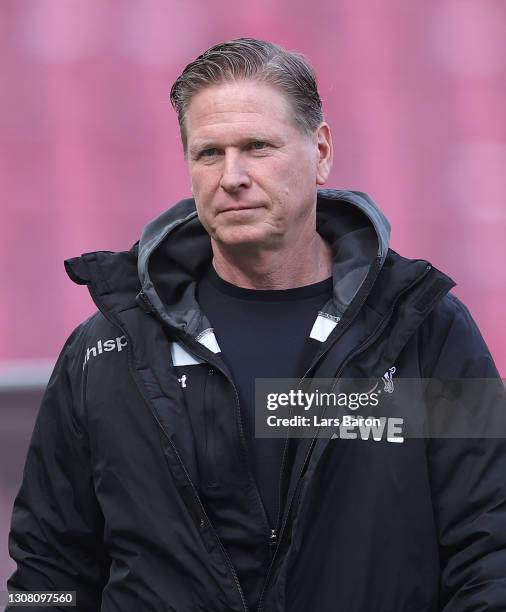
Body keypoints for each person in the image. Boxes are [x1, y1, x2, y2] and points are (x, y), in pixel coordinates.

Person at [7, 38, 506, 611]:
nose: (232, 175)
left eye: (257, 147)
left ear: (320, 152)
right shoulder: (107, 350)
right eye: (209, 153)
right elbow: (47, 569)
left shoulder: (424, 329)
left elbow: (490, 548)